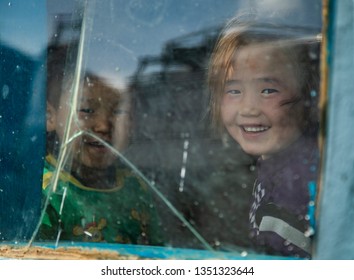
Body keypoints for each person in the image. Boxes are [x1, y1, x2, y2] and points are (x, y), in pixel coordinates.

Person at [207, 18, 320, 258]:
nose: (248, 108)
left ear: (308, 97)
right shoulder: (273, 164)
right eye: (233, 91)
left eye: (268, 90)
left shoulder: (303, 179)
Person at [38, 44, 164, 246]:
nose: (104, 125)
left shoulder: (136, 187)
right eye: (86, 110)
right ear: (49, 117)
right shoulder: (45, 191)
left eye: (118, 111)